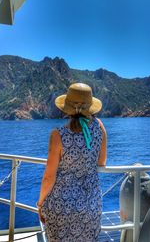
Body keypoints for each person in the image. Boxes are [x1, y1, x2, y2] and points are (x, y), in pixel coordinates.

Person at [36, 82, 107, 242]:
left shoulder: (58, 135)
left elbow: (48, 177)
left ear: (67, 107)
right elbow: (101, 162)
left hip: (62, 208)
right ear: (90, 106)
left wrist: (40, 204)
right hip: (92, 205)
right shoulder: (100, 127)